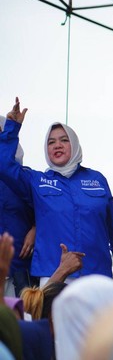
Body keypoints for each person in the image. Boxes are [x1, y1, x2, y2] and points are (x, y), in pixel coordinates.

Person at [0, 99, 113, 285]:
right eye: (51, 142)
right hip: (53, 275)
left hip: (96, 274)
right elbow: (4, 166)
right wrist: (12, 127)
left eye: (64, 140)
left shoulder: (98, 179)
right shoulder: (36, 181)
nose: (57, 145)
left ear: (75, 145)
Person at [0, 115, 35, 297]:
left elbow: (48, 210)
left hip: (19, 273)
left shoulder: (26, 177)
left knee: (20, 324)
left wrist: (35, 228)